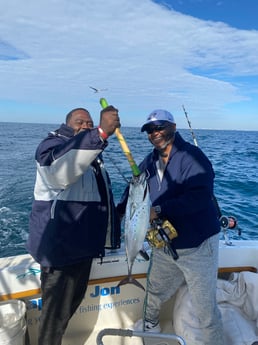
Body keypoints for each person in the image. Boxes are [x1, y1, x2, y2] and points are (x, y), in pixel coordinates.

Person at [118, 109, 224, 345]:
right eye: (150, 130)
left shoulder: (193, 157)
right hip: (165, 244)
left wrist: (159, 210)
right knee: (153, 294)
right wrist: (118, 212)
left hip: (198, 246)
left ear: (174, 127)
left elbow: (200, 196)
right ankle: (151, 327)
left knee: (205, 309)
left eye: (160, 127)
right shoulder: (149, 161)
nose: (155, 133)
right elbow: (134, 191)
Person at [26, 106, 121, 345]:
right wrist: (100, 132)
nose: (85, 126)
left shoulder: (91, 156)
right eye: (80, 122)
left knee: (68, 310)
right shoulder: (51, 146)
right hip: (60, 252)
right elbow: (59, 171)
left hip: (82, 249)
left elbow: (99, 202)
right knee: (53, 320)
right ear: (67, 124)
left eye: (89, 123)